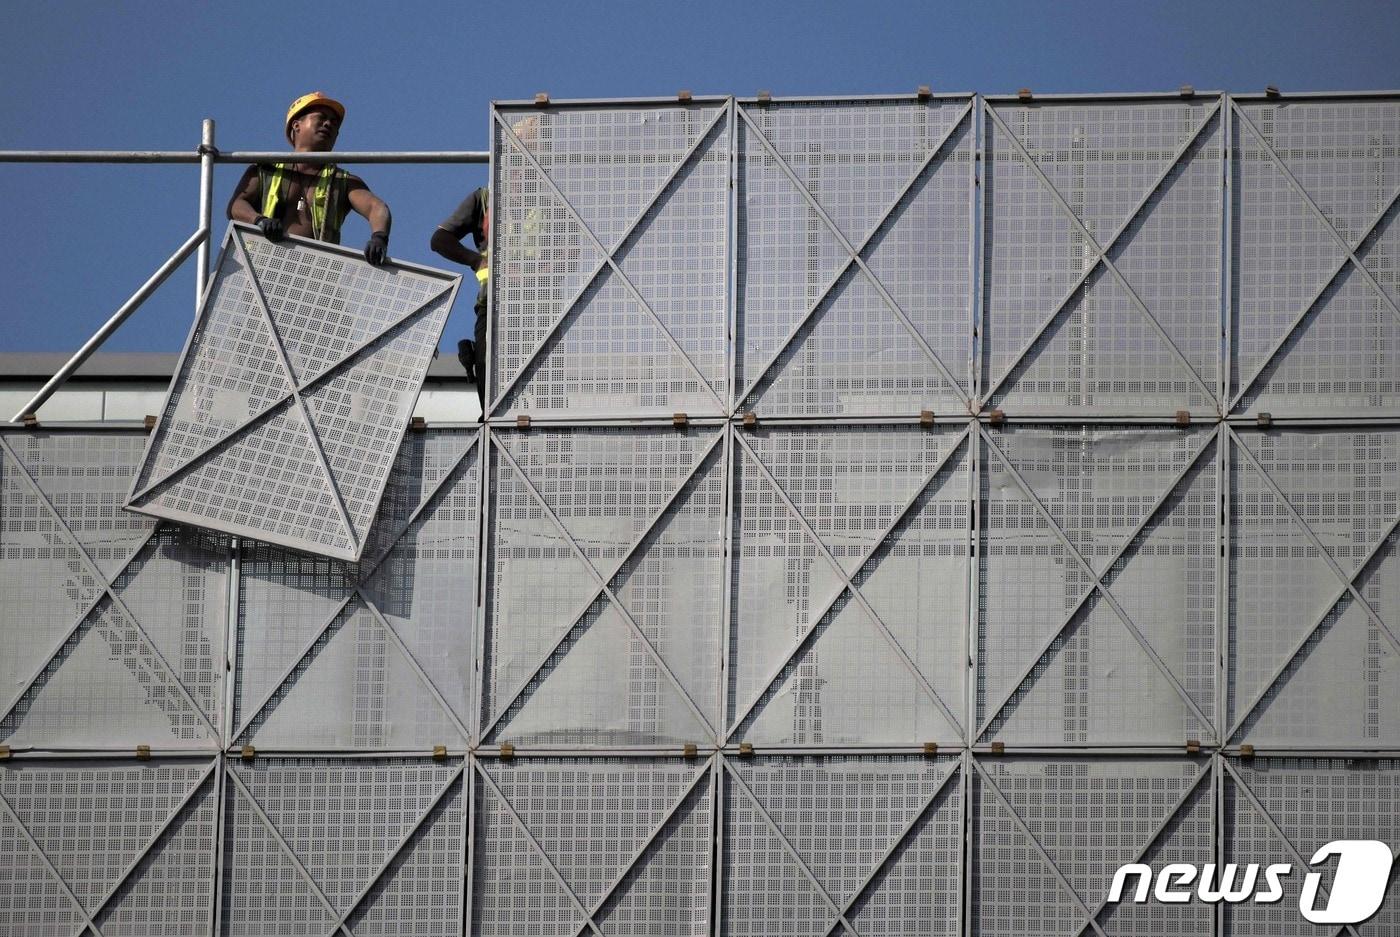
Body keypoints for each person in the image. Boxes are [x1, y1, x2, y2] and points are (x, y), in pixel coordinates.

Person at [227, 92, 391, 265]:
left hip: (315, 275)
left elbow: (376, 207)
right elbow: (235, 206)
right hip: (262, 265)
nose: (328, 124)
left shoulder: (342, 180)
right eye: (321, 118)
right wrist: (259, 220)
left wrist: (379, 237)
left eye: (334, 123)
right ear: (297, 126)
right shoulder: (266, 170)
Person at [430, 186, 489, 409]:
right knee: (487, 379)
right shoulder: (484, 198)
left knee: (544, 383)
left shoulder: (547, 195)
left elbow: (571, 247)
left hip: (541, 306)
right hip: (491, 304)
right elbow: (439, 240)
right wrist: (476, 260)